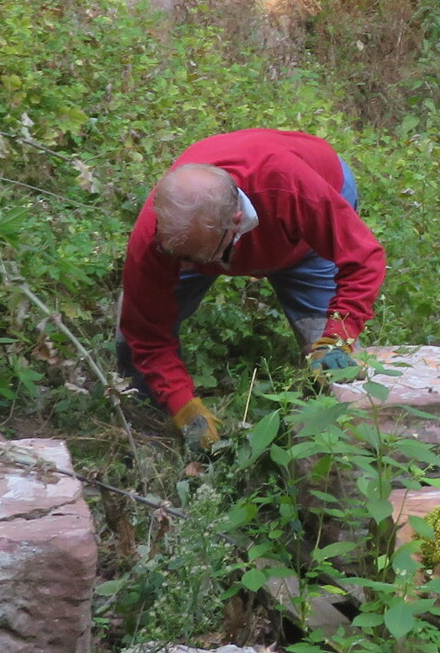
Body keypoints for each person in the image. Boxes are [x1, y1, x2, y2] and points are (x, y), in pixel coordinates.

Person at [116, 129, 387, 452]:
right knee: (132, 337)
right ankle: (147, 434)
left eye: (196, 258)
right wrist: (182, 406)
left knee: (334, 361)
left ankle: (331, 446)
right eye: (179, 257)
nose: (184, 266)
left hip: (303, 230)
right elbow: (146, 334)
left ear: (235, 223)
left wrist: (340, 334)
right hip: (209, 236)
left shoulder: (292, 188)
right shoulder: (160, 237)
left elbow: (363, 258)